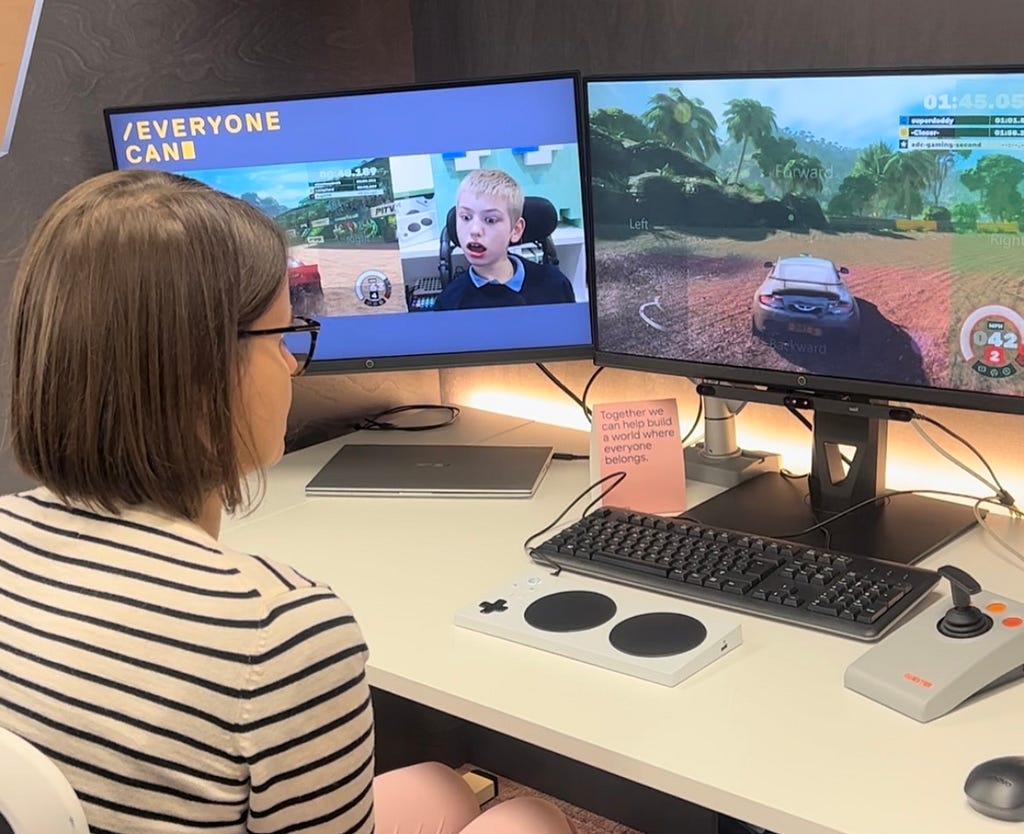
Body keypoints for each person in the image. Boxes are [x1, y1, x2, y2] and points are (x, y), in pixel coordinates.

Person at [0, 169, 575, 834]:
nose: (294, 363)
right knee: (530, 820)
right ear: (201, 371)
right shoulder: (280, 633)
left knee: (438, 790)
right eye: (282, 336)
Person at [434, 168, 576, 310]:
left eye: (490, 220)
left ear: (516, 230)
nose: (475, 230)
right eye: (466, 217)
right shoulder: (448, 304)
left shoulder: (555, 286)